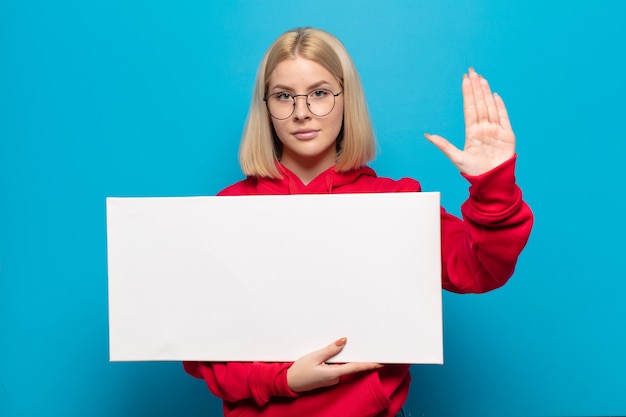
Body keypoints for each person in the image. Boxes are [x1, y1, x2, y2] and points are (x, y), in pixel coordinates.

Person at [183, 27, 533, 417]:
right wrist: (282, 380)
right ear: (266, 106)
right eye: (284, 96)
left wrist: (493, 183)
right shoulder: (227, 209)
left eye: (319, 93)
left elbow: (479, 269)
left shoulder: (395, 201)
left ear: (346, 98)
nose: (302, 112)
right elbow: (201, 352)